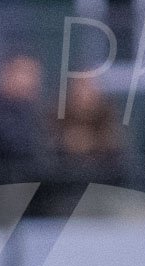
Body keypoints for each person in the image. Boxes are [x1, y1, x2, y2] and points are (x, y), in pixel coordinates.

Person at [0, 53, 49, 225]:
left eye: (35, 75)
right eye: (25, 74)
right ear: (7, 74)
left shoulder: (37, 112)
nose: (32, 81)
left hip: (39, 205)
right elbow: (16, 146)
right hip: (9, 204)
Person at [36, 75, 124, 218]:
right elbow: (46, 172)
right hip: (64, 202)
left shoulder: (109, 128)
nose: (85, 94)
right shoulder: (52, 124)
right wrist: (66, 148)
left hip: (107, 199)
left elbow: (119, 171)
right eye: (80, 87)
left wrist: (95, 147)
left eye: (90, 88)